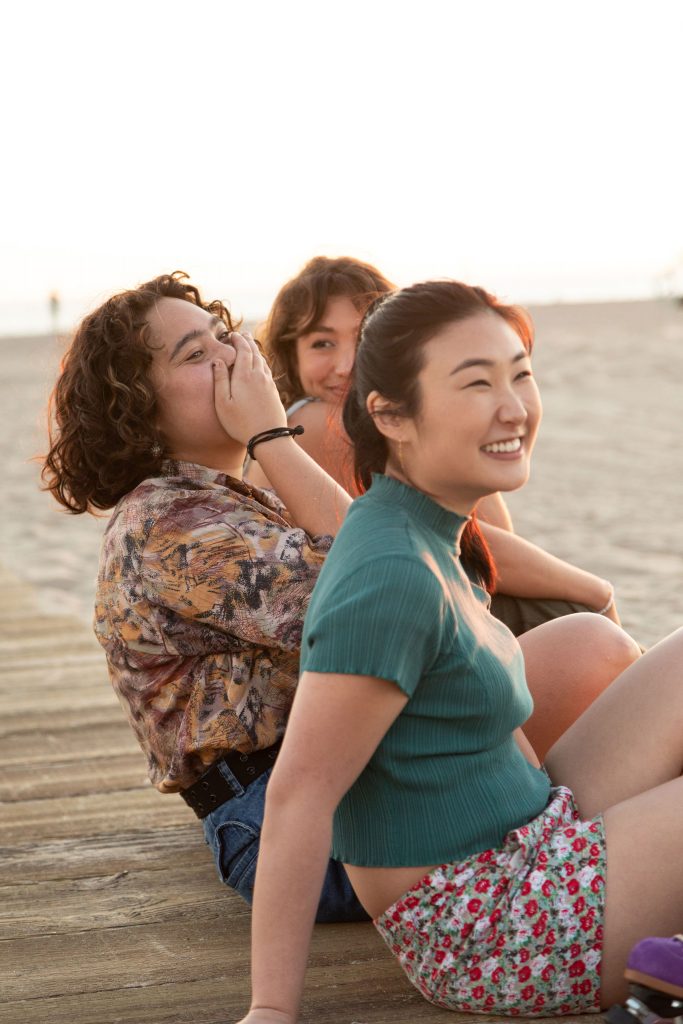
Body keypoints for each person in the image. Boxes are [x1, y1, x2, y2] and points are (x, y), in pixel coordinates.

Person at [237, 280, 683, 1023]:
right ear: (391, 415)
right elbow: (297, 796)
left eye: (519, 373)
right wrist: (271, 1010)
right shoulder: (387, 576)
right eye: (476, 383)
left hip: (528, 836)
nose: (513, 406)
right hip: (486, 927)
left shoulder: (428, 527)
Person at [41, 271, 365, 922]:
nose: (232, 356)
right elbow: (372, 594)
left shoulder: (220, 501)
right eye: (196, 354)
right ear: (138, 410)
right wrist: (271, 436)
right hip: (287, 835)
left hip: (314, 797)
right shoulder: (174, 527)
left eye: (224, 336)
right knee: (573, 655)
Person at [248, 256, 631, 640]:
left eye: (363, 336)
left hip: (439, 607)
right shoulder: (317, 421)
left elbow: (478, 529)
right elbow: (471, 542)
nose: (347, 364)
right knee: (583, 617)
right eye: (322, 343)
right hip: (411, 624)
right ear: (290, 355)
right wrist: (596, 591)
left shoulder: (385, 420)